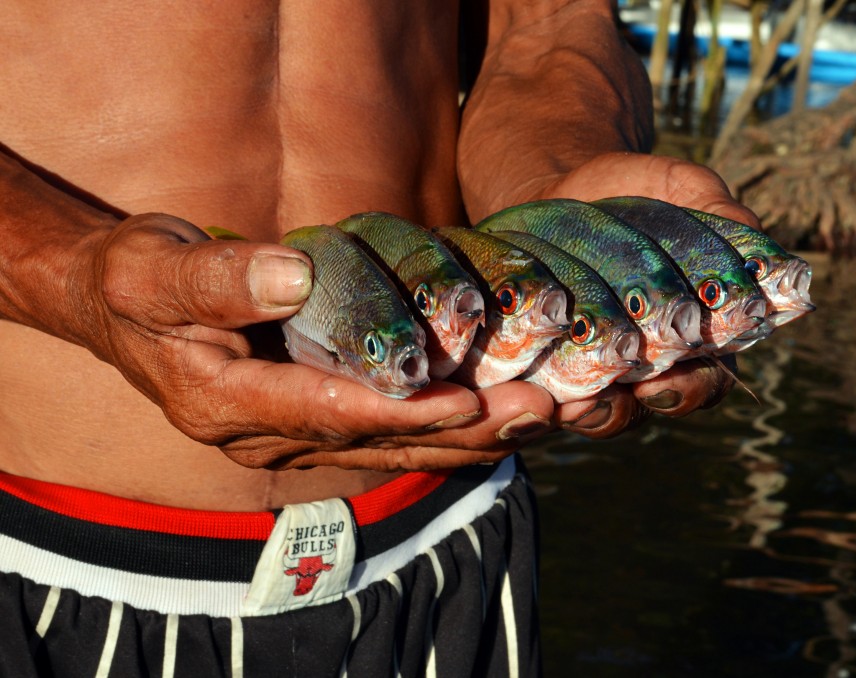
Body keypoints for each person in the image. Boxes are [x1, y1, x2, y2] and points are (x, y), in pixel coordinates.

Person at [0, 1, 758, 675]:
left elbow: (547, 27)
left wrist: (560, 201)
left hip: (452, 534)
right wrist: (68, 277)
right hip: (54, 558)